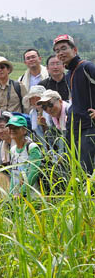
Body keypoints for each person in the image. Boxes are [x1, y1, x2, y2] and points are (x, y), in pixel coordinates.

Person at [53, 34, 95, 174]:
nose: (60, 53)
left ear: (74, 49)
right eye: (57, 50)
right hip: (75, 126)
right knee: (76, 166)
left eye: (64, 48)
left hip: (90, 126)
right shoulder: (68, 74)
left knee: (88, 166)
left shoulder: (86, 67)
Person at [5, 116, 43, 196]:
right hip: (17, 198)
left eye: (16, 128)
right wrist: (11, 195)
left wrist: (21, 193)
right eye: (10, 128)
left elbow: (33, 174)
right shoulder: (13, 150)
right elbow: (13, 175)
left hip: (32, 197)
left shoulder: (32, 148)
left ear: (24, 130)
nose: (12, 130)